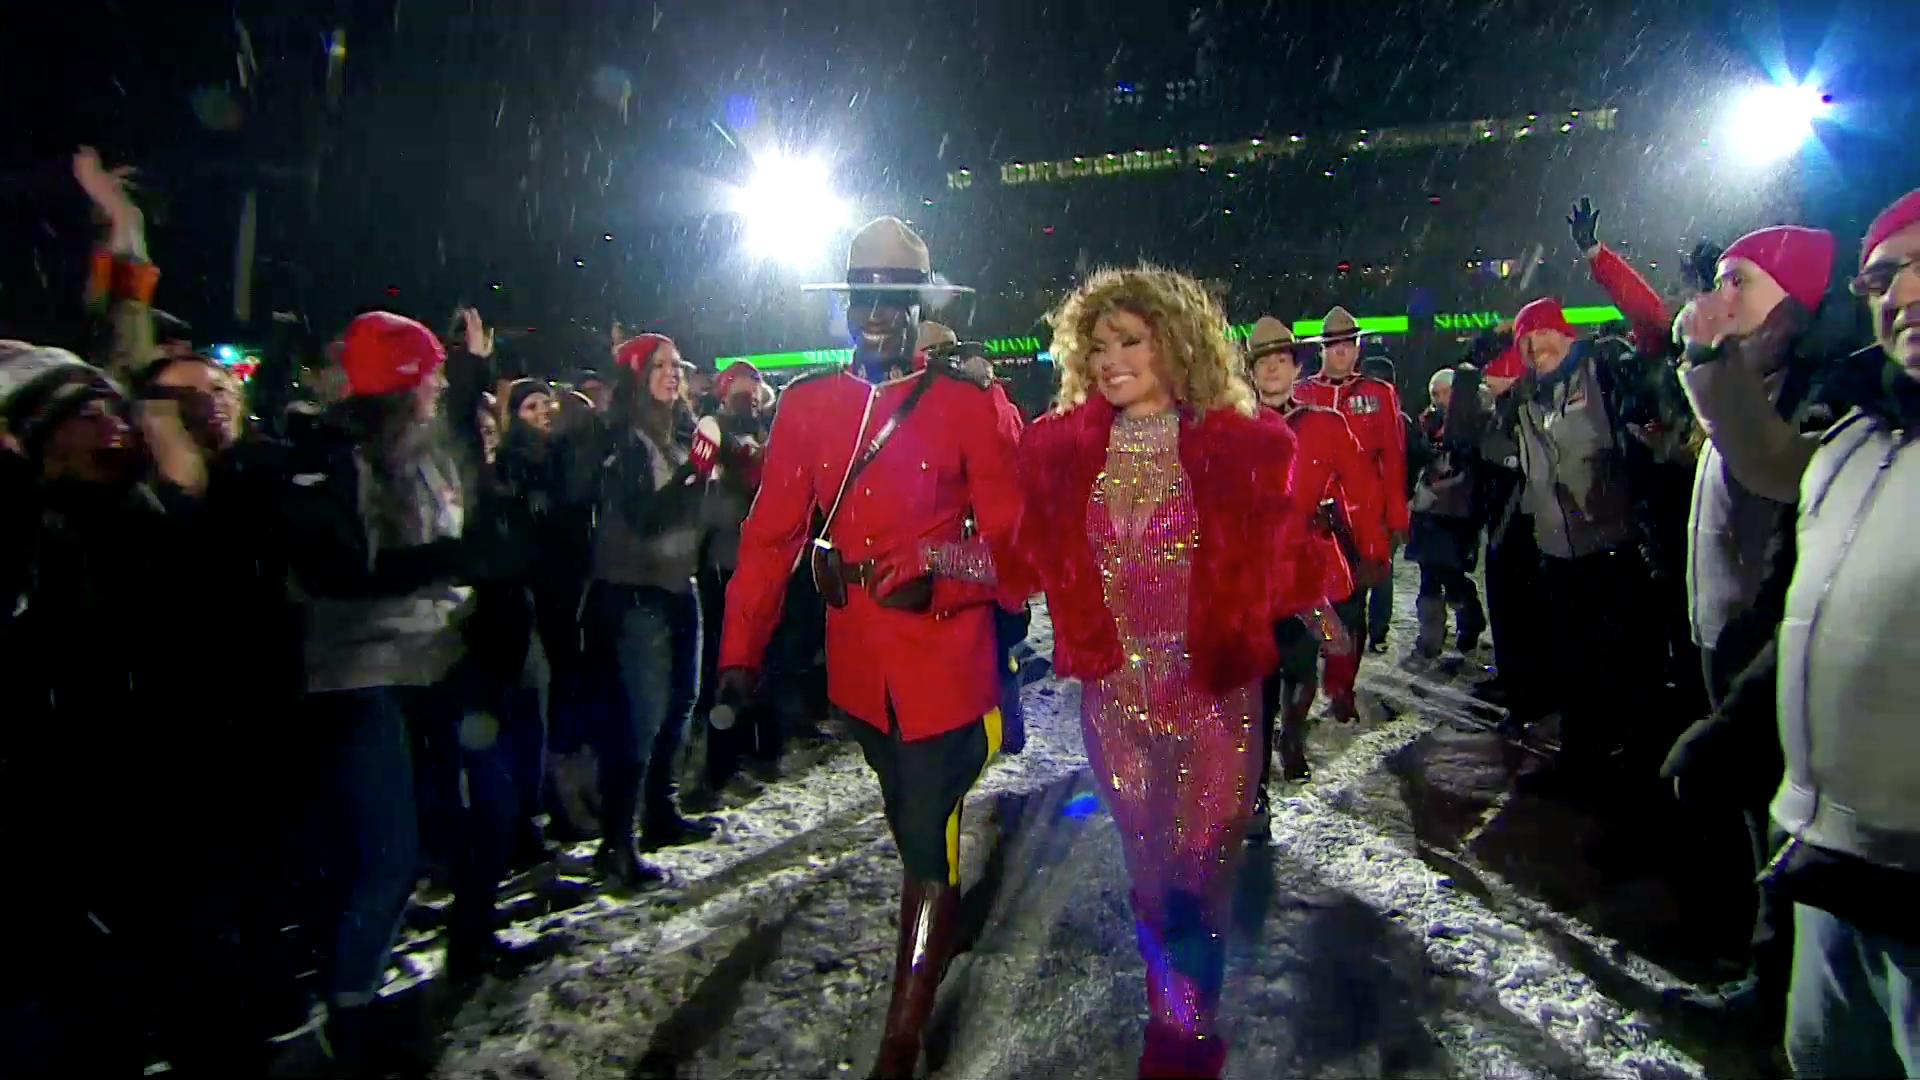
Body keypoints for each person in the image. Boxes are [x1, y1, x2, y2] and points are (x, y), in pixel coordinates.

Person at [715, 217, 1025, 1079]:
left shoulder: (967, 407)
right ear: (848, 301)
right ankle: (940, 918)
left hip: (945, 667)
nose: (877, 311)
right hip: (859, 679)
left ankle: (903, 1039)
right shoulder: (810, 406)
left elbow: (1022, 553)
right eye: (865, 293)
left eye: (895, 296)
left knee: (925, 838)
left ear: (917, 303)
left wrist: (943, 568)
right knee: (911, 827)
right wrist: (739, 650)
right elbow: (769, 538)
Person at [1019, 270, 1326, 1079]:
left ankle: (1183, 1046)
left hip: (1214, 703)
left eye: (1131, 340)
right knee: (1152, 886)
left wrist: (1324, 600)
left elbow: (1281, 560)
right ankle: (1180, 1026)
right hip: (1115, 706)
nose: (1111, 359)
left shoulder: (1244, 448)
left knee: (1198, 883)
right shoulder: (1057, 453)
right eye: (1098, 344)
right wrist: (926, 558)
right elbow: (1020, 561)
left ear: (1177, 344)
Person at [1245, 316, 1376, 796]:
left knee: (1301, 670)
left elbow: (1357, 488)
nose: (1274, 370)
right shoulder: (1234, 428)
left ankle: (1292, 740)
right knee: (1258, 679)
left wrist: (1370, 546)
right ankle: (1255, 773)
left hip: (1304, 572)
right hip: (1253, 576)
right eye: (1265, 363)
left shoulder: (1325, 423)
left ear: (1296, 368)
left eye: (1282, 360)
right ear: (1252, 372)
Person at [1293, 306, 1408, 660]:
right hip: (1315, 518)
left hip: (1364, 517)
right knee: (1309, 598)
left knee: (1356, 601)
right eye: (1334, 344)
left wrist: (1397, 517)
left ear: (1358, 349)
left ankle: (1345, 677)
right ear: (1323, 350)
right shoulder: (1301, 393)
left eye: (1348, 343)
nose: (1341, 351)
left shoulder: (1379, 393)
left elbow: (1393, 458)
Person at [1407, 366, 1489, 660]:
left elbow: (1473, 470)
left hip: (1457, 512)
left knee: (1452, 575)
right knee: (1428, 575)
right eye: (1435, 394)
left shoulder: (1474, 421)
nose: (1441, 399)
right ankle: (1430, 637)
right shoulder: (1426, 423)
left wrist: (1439, 489)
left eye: (1446, 392)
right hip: (1428, 512)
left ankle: (1470, 618)